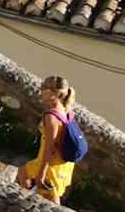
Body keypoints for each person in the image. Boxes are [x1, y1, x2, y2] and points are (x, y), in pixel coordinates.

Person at [16, 76, 79, 204]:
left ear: (55, 94)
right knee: (23, 173)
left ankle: (30, 205)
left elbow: (49, 148)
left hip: (51, 164)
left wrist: (42, 174)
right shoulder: (66, 109)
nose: (41, 89)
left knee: (53, 199)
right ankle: (29, 202)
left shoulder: (51, 117)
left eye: (45, 88)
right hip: (62, 162)